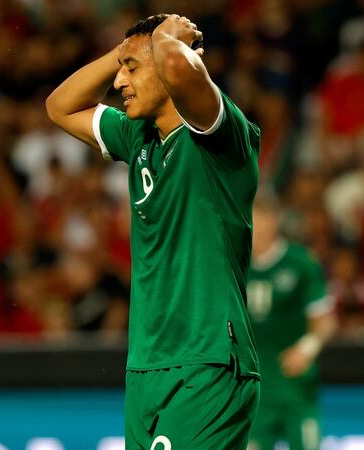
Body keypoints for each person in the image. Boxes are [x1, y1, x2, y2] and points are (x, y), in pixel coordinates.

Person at [46, 14, 261, 449]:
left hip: (207, 360)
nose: (119, 81)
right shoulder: (138, 137)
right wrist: (124, 52)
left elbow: (181, 70)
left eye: (132, 69)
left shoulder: (218, 135)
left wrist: (162, 40)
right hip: (147, 363)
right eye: (120, 69)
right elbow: (60, 106)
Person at [247, 195, 337, 450]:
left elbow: (326, 321)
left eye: (260, 219)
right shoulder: (234, 264)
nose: (256, 227)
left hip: (295, 387)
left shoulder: (300, 262)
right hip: (254, 391)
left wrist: (306, 348)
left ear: (274, 221)